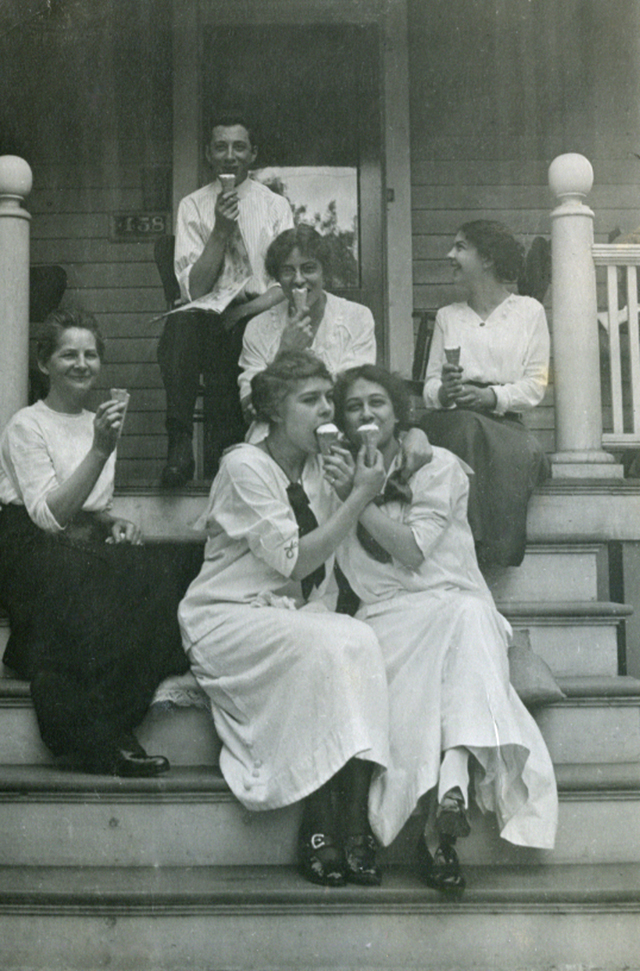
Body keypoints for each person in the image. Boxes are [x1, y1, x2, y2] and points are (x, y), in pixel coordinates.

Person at [332, 364, 558, 894]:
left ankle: (442, 812)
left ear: (398, 413)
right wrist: (359, 487)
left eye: (378, 403)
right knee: (465, 638)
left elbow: (412, 550)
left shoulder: (441, 468)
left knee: (472, 616)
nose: (367, 414)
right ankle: (441, 825)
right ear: (341, 420)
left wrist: (360, 496)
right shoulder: (332, 472)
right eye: (354, 406)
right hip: (389, 616)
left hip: (453, 602)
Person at [178, 351, 390, 887]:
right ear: (274, 409)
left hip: (295, 617)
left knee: (360, 639)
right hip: (228, 617)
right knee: (326, 644)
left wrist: (353, 484)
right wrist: (359, 496)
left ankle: (355, 819)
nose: (326, 411)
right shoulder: (244, 465)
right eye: (310, 400)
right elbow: (295, 559)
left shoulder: (323, 465)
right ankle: (318, 822)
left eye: (328, 399)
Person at [0, 310, 202, 776]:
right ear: (43, 363)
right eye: (68, 354)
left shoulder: (100, 420)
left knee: (162, 576)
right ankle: (88, 731)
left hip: (79, 540)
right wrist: (100, 450)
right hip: (26, 546)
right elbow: (48, 516)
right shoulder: (26, 426)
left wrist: (112, 520)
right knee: (104, 588)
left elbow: (88, 504)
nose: (81, 363)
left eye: (90, 354)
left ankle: (110, 723)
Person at [158, 113, 294, 486]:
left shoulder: (274, 206)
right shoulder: (193, 205)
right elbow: (194, 290)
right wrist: (220, 230)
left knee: (228, 349)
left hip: (260, 312)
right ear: (208, 153)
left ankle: (228, 464)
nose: (229, 155)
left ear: (253, 153)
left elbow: (289, 281)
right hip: (209, 315)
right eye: (221, 147)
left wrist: (245, 312)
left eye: (239, 147)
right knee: (180, 324)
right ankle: (180, 443)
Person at [421, 220, 550, 567]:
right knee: (464, 428)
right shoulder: (448, 316)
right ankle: (472, 548)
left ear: (488, 259)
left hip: (503, 422)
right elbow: (430, 388)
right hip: (453, 418)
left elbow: (535, 385)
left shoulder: (528, 312)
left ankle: (481, 550)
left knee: (503, 447)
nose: (450, 254)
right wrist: (445, 392)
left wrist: (491, 398)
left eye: (460, 247)